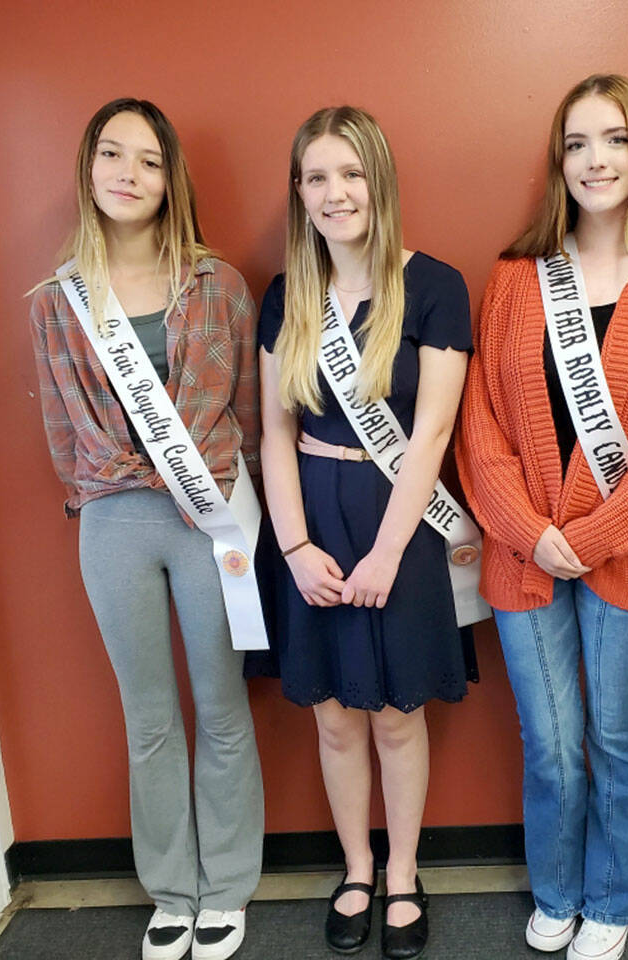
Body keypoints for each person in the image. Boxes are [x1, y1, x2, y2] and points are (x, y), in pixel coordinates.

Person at [456, 74, 628, 960]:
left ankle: (618, 892)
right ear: (558, 161)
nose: (595, 160)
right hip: (524, 556)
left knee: (616, 736)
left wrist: (595, 536)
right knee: (553, 744)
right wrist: (534, 533)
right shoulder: (513, 278)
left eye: (613, 139)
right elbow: (480, 427)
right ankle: (558, 890)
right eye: (576, 143)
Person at [28, 98, 263, 960]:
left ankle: (228, 886)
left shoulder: (219, 285)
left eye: (149, 161)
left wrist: (222, 498)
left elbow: (244, 411)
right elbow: (59, 427)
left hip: (208, 516)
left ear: (172, 181)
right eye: (112, 155)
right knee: (150, 717)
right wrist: (109, 489)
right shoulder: (57, 302)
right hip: (114, 521)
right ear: (88, 170)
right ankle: (173, 888)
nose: (129, 174)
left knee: (222, 704)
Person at [250, 105, 476, 960]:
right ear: (299, 193)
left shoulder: (437, 285)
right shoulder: (287, 295)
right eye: (317, 177)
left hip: (400, 522)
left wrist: (386, 549)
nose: (335, 192)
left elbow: (433, 436)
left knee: (394, 715)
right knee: (335, 717)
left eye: (351, 174)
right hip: (310, 512)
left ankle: (406, 872)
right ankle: (356, 869)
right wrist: (298, 547)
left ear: (379, 180)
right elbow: (272, 431)